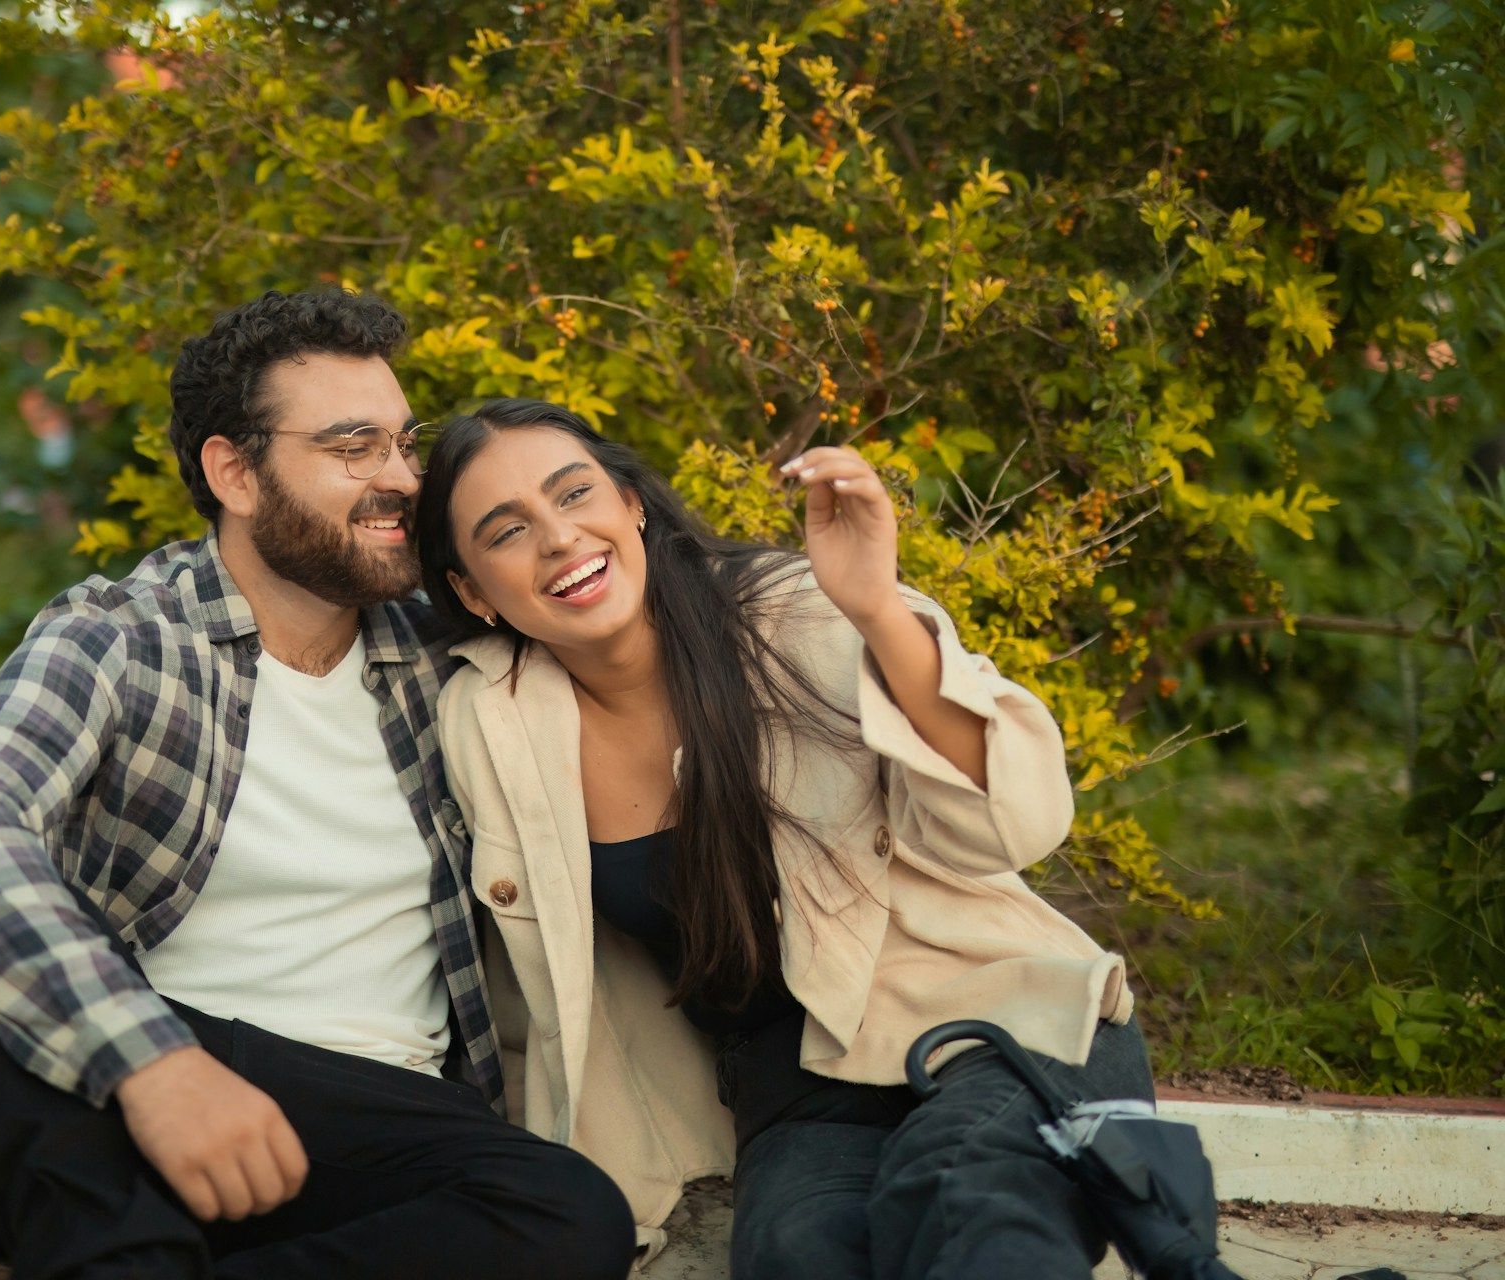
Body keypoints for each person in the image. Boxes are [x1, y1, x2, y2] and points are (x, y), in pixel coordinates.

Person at [0, 297, 635, 1280]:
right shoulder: (121, 637)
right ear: (234, 470)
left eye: (404, 443)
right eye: (354, 446)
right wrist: (155, 1063)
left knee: (569, 1214)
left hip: (373, 1112)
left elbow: (643, 630)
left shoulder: (453, 660)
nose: (401, 477)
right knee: (13, 980)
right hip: (141, 1088)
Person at [414, 398, 1153, 1279]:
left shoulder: (792, 614)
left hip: (992, 1019)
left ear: (632, 503)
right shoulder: (487, 722)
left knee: (972, 1212)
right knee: (796, 1256)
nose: (559, 538)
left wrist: (877, 609)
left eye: (575, 495)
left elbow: (1017, 824)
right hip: (800, 1095)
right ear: (469, 592)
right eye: (506, 532)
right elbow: (526, 986)